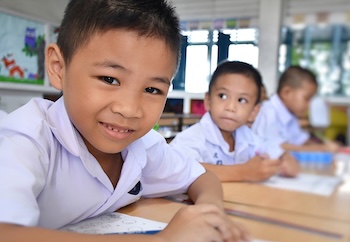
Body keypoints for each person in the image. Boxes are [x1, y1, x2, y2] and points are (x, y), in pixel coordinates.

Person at [0, 1, 250, 242]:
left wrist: (209, 213)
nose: (129, 109)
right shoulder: (25, 141)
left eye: (152, 89)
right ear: (58, 68)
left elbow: (202, 177)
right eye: (110, 79)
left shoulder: (145, 146)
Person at [170, 61, 299, 182]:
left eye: (242, 100)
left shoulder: (248, 137)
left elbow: (270, 149)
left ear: (254, 112)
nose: (231, 107)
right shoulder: (191, 139)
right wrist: (244, 172)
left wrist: (283, 159)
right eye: (222, 96)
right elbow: (181, 171)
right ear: (208, 101)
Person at [252, 65, 340, 153]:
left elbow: (301, 141)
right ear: (286, 93)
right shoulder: (268, 113)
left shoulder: (290, 114)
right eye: (307, 98)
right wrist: (322, 148)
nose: (309, 105)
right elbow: (281, 148)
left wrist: (325, 145)